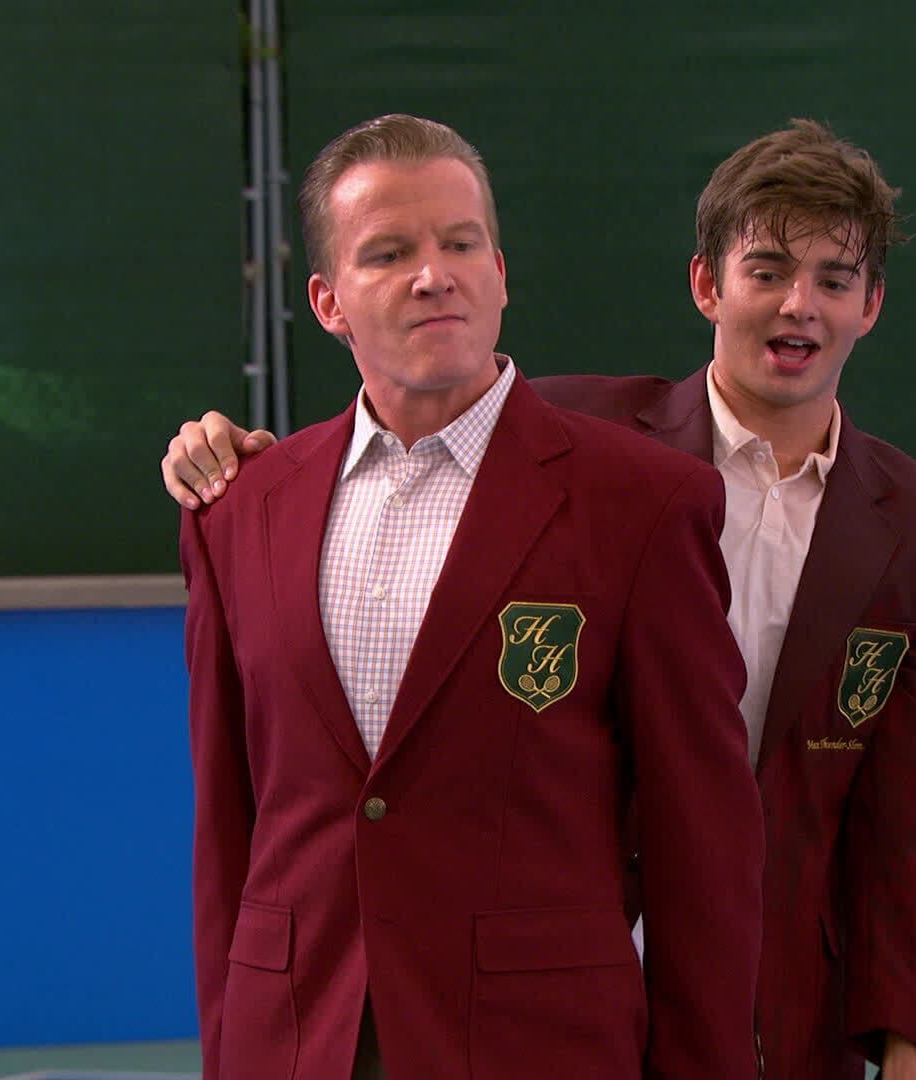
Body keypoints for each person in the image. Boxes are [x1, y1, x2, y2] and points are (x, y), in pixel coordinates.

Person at [167, 119, 916, 1079]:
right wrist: (225, 458)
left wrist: (904, 1037)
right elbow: (234, 819)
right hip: (393, 1005)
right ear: (707, 285)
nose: (798, 305)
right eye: (768, 270)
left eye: (834, 280)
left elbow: (900, 820)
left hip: (729, 992)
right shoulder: (543, 443)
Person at [180, 113, 763, 1079]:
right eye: (388, 253)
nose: (432, 275)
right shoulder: (239, 511)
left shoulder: (643, 505)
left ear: (499, 272)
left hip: (537, 1046)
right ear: (327, 302)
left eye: (460, 244)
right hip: (295, 1042)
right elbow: (228, 828)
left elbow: (702, 842)